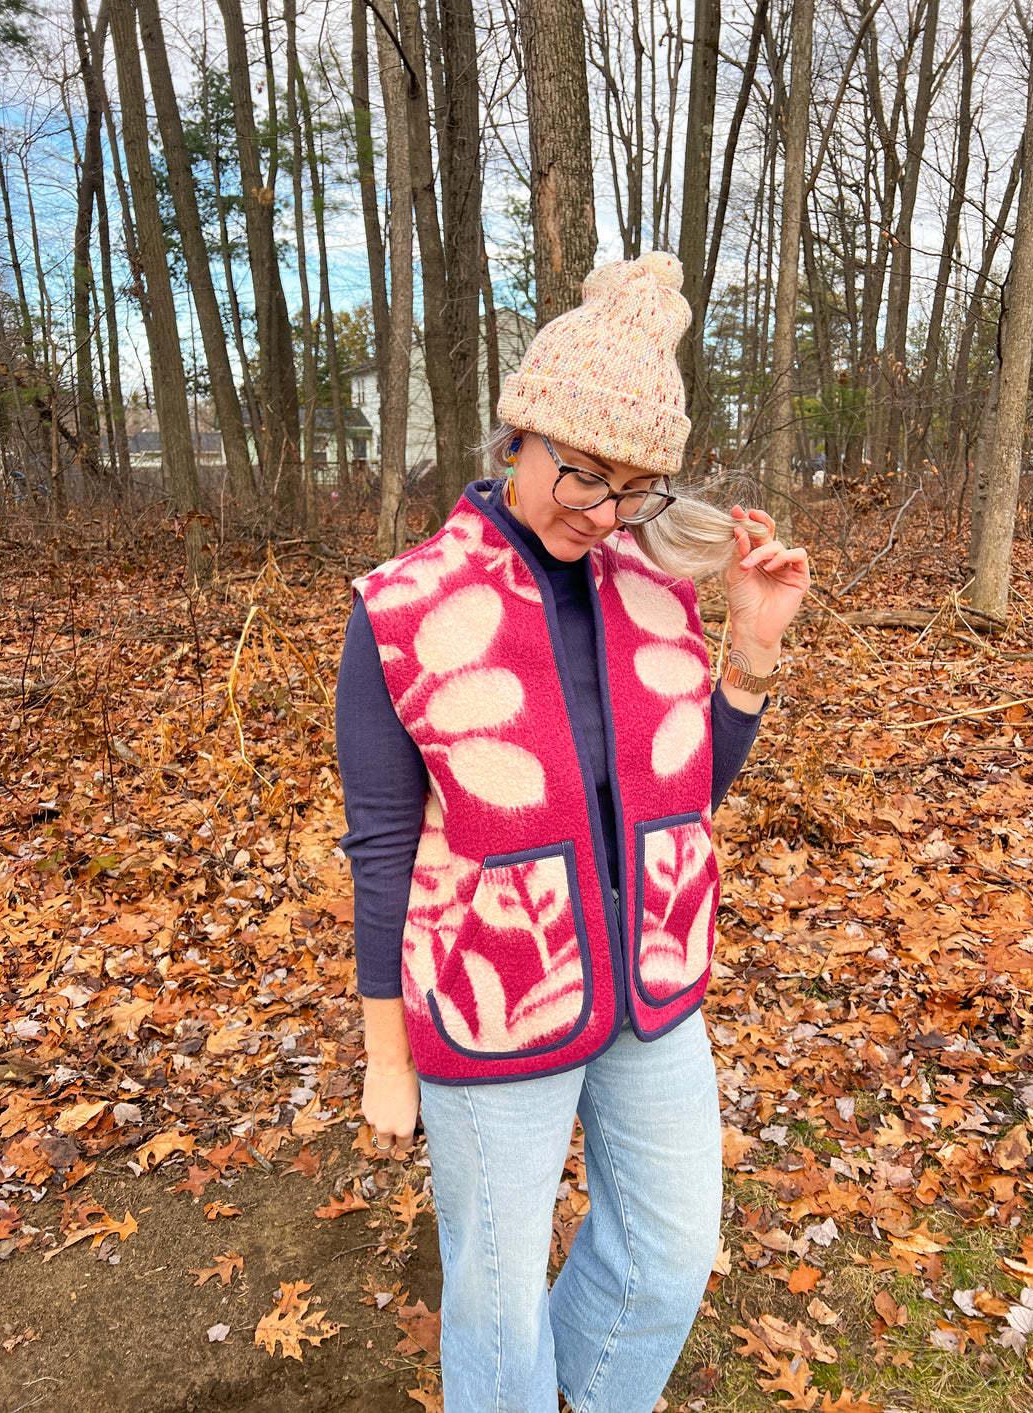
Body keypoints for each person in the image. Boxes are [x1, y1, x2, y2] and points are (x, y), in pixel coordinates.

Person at [336, 251, 810, 1413]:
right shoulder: (401, 607)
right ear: (518, 437)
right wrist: (385, 1057)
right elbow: (384, 850)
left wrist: (749, 653)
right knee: (497, 1317)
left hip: (651, 992)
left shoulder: (650, 586)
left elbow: (681, 800)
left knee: (665, 1253)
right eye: (581, 475)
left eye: (634, 487)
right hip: (492, 1001)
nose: (602, 513)